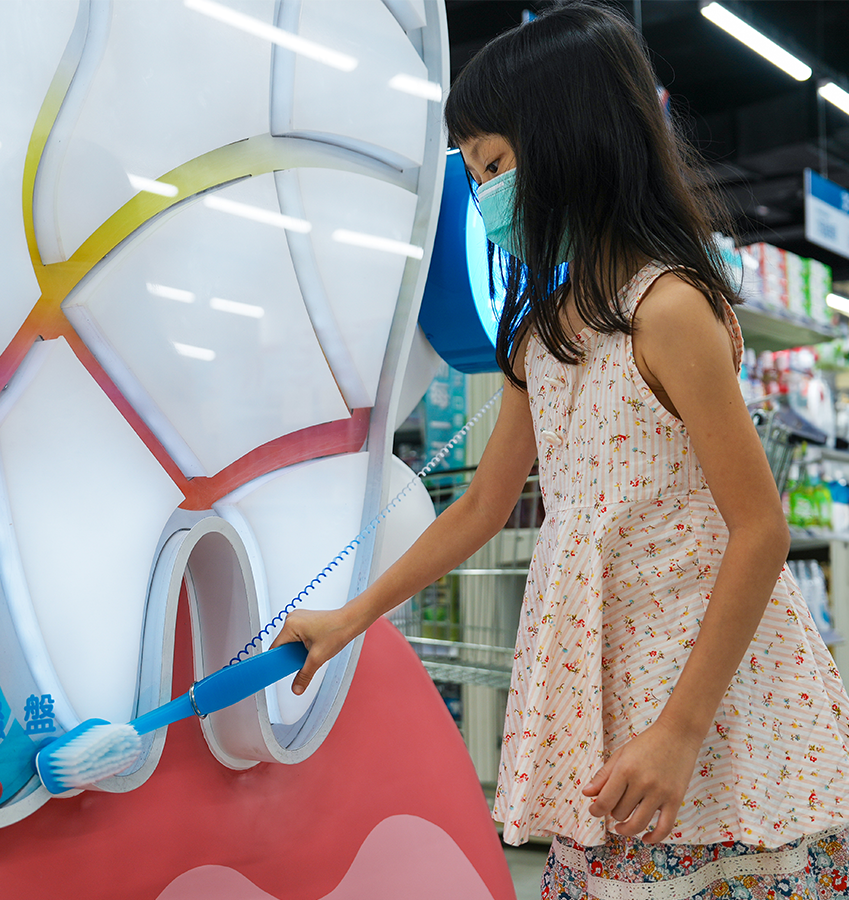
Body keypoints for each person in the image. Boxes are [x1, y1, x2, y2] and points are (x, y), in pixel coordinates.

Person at [271, 2, 849, 896]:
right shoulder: (542, 333)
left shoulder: (669, 309)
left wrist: (680, 730)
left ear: (572, 142)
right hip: (602, 685)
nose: (482, 193)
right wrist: (352, 617)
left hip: (705, 691)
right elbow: (481, 505)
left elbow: (760, 529)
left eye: (493, 164)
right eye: (471, 169)